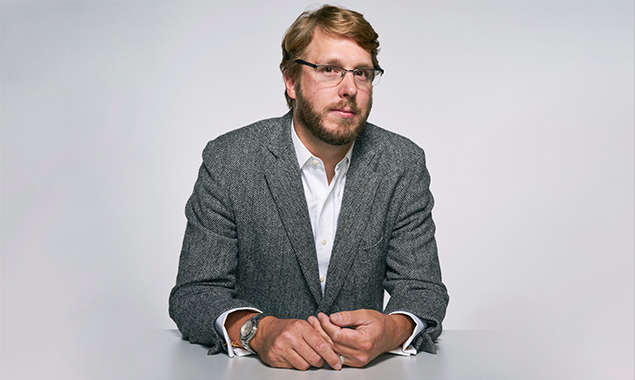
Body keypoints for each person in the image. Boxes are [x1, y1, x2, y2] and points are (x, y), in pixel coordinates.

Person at [169, 4, 449, 371]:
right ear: (291, 81)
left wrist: (393, 329)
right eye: (329, 69)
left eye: (362, 73)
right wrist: (256, 329)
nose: (349, 88)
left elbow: (424, 290)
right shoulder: (229, 159)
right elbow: (194, 294)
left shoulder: (401, 163)